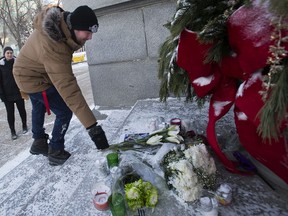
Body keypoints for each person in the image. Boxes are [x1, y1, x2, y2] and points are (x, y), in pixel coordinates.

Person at [13, 5, 109, 166]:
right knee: (64, 111)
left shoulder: (62, 29)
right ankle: (56, 150)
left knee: (38, 105)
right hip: (32, 78)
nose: (90, 37)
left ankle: (38, 142)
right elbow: (69, 89)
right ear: (75, 28)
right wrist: (93, 128)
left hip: (28, 73)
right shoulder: (54, 45)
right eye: (88, 32)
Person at [0, 46, 28, 140]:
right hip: (7, 95)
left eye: (11, 53)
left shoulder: (17, 63)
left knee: (22, 110)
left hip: (18, 92)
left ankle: (24, 125)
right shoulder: (1, 65)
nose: (9, 54)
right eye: (7, 53)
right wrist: (2, 96)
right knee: (10, 113)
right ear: (4, 54)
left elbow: (23, 76)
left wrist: (25, 89)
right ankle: (13, 131)